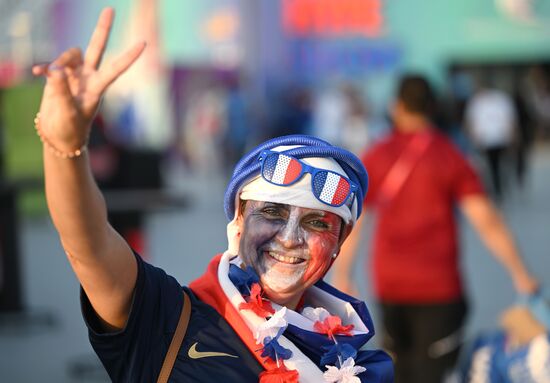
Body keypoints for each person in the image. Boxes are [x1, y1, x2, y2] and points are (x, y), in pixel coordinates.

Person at [32, 8, 393, 383]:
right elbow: (88, 245)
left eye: (317, 222)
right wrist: (66, 149)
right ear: (237, 222)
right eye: (271, 211)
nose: (289, 238)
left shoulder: (363, 366)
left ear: (339, 243)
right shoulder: (165, 319)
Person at [331, 75, 538, 383]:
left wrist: (342, 276)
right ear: (432, 107)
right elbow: (486, 221)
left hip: (390, 287)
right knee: (433, 374)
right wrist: (521, 273)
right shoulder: (451, 155)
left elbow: (354, 224)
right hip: (440, 289)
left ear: (396, 106)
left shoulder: (377, 154)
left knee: (399, 373)